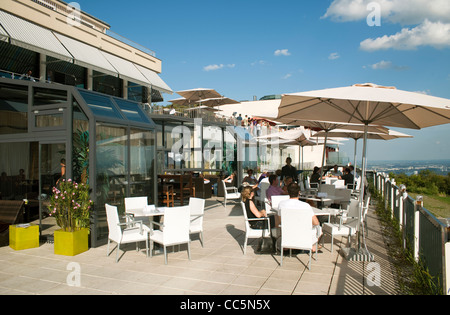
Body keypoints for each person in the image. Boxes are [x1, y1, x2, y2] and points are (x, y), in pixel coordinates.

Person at [278, 183, 322, 252]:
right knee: (319, 229)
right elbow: (316, 222)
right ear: (299, 192)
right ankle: (312, 246)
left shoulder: (281, 204)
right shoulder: (306, 206)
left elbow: (281, 221)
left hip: (288, 235)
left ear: (288, 192)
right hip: (303, 235)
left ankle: (288, 246)